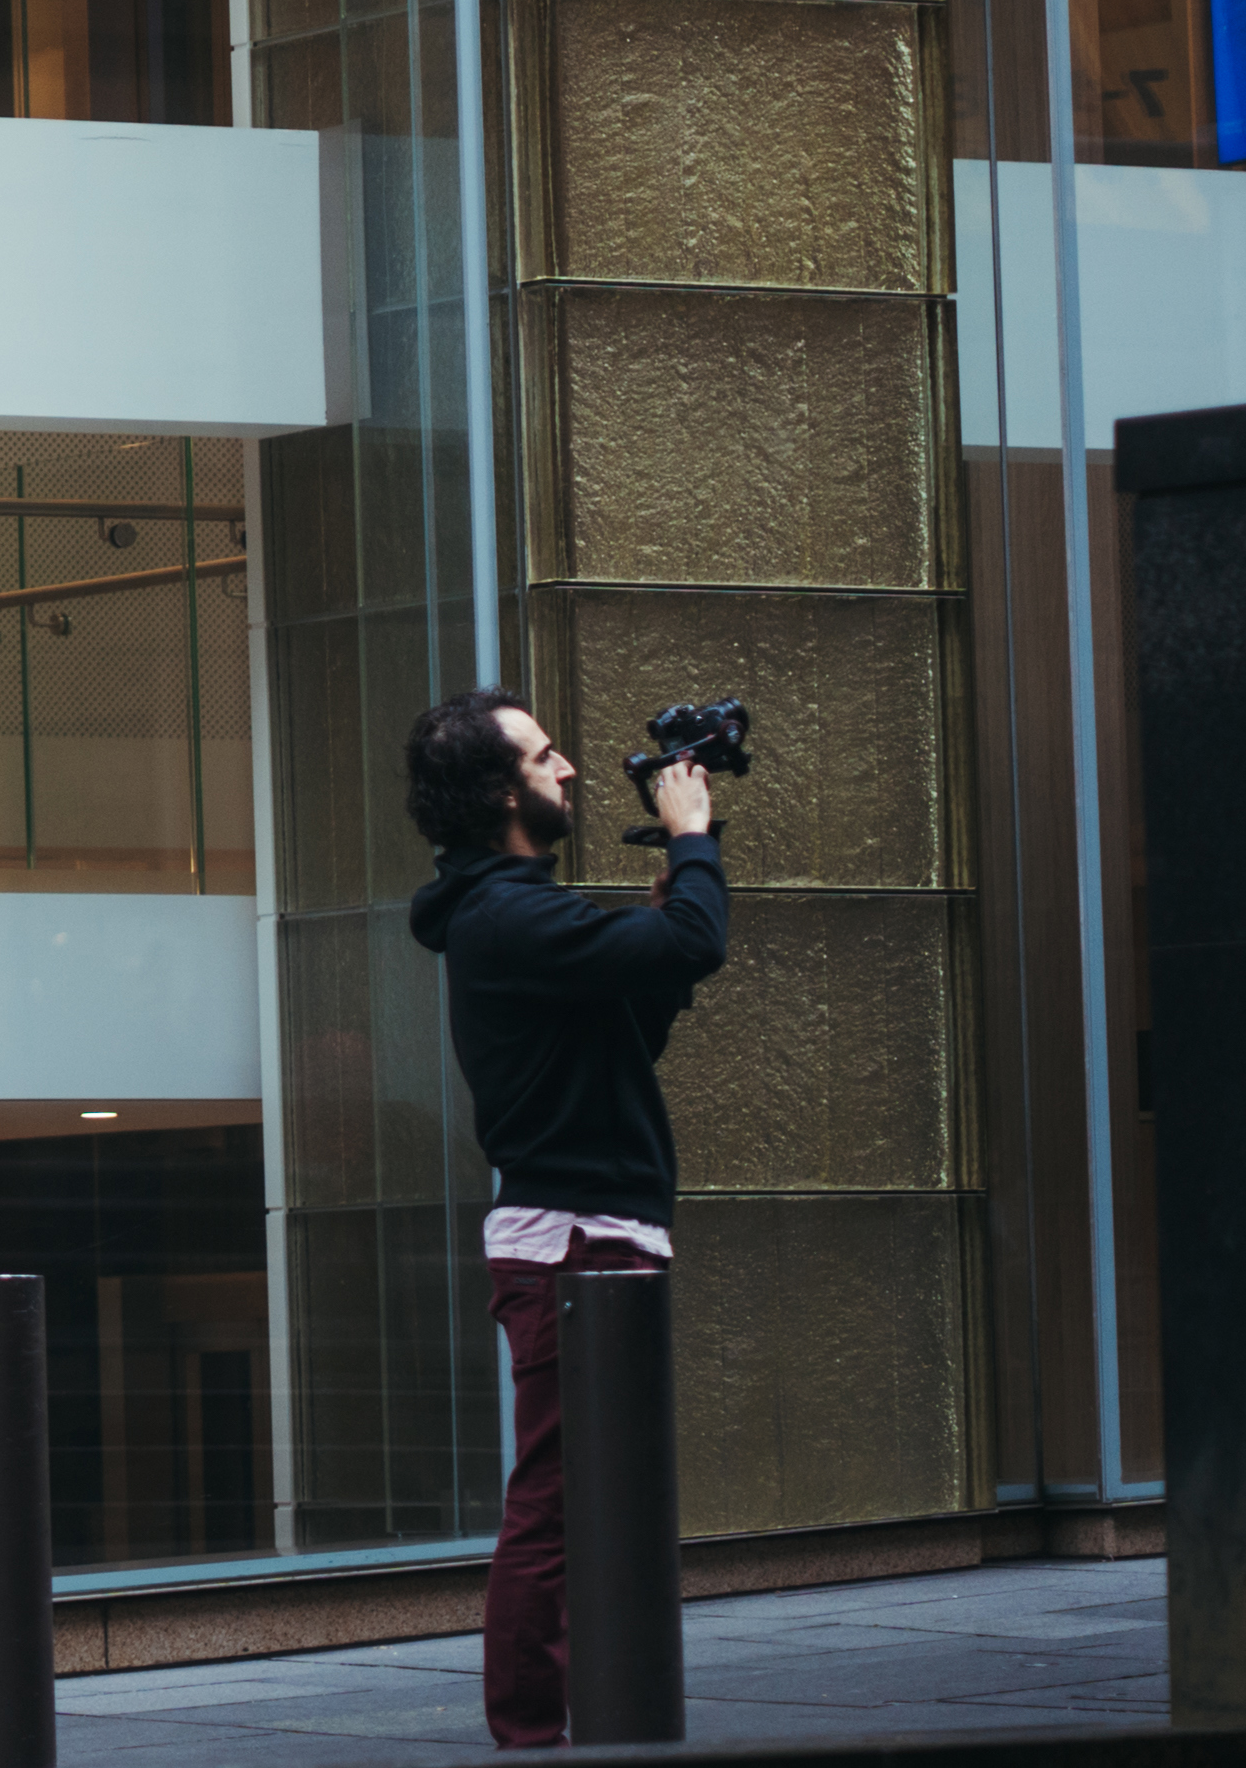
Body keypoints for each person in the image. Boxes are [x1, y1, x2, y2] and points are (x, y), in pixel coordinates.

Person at [404, 689, 726, 1750]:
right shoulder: (506, 917)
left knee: (600, 1501)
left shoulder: (514, 917)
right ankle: (531, 1736)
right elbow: (695, 943)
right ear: (501, 792)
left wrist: (662, 905)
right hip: (574, 1246)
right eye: (545, 755)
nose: (571, 768)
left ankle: (594, 1715)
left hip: (592, 1235)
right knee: (552, 1507)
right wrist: (689, 843)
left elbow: (641, 1009)